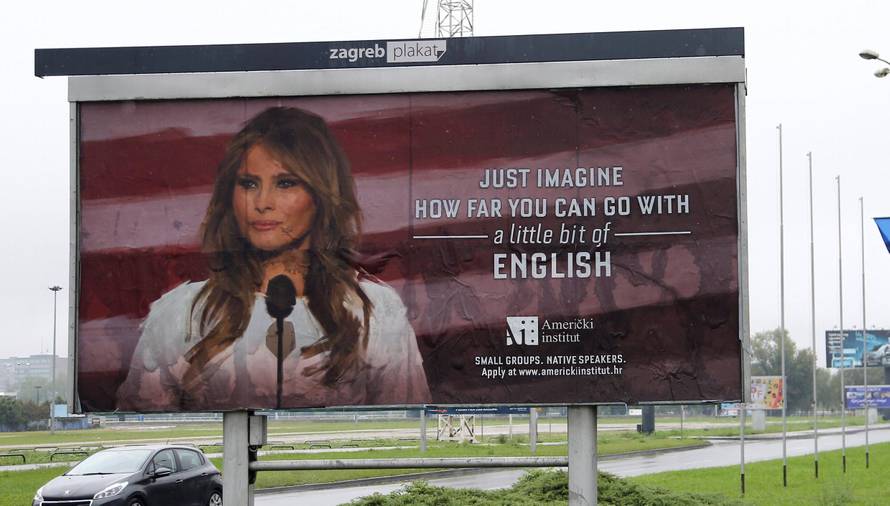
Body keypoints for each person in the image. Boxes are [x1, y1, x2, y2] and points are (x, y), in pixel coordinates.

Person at [116, 107, 431, 411]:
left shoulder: (376, 313)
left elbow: (410, 431)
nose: (262, 203)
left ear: (321, 195)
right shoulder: (181, 312)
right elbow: (142, 433)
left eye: (285, 183)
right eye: (249, 184)